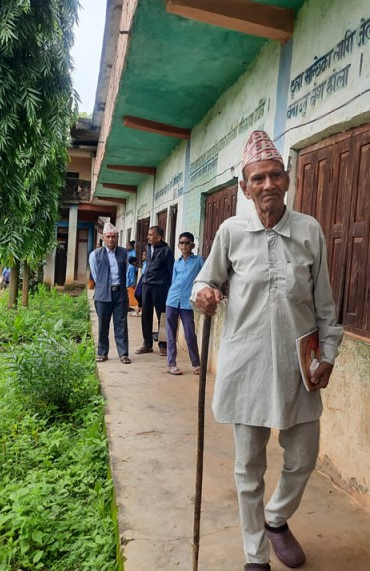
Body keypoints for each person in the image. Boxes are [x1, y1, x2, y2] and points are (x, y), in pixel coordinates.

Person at [192, 130, 342, 571]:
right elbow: (205, 280)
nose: (268, 184)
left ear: (287, 179)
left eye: (275, 175)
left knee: (303, 458)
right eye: (258, 178)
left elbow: (325, 304)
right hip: (247, 366)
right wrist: (203, 294)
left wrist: (329, 353)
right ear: (245, 187)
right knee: (248, 468)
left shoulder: (309, 231)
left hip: (299, 366)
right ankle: (255, 555)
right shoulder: (231, 232)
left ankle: (275, 518)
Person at [89, 223, 131, 364]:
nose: (111, 239)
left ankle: (123, 354)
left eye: (113, 236)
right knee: (103, 325)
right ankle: (102, 353)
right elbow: (95, 275)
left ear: (117, 237)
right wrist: (104, 286)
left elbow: (126, 271)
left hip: (120, 294)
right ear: (103, 238)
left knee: (121, 324)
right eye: (108, 236)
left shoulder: (124, 253)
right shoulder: (95, 254)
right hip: (103, 295)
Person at [165, 232, 204, 376]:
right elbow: (174, 281)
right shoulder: (177, 262)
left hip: (187, 303)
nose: (184, 245)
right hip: (172, 300)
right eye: (181, 243)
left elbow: (206, 277)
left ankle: (197, 364)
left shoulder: (199, 261)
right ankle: (171, 364)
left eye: (187, 243)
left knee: (189, 333)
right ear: (178, 245)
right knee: (170, 333)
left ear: (192, 245)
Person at [136, 226, 173, 356]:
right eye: (148, 234)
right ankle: (147, 344)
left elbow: (170, 271)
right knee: (145, 315)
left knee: (162, 315)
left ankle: (163, 345)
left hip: (160, 286)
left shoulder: (167, 251)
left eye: (151, 235)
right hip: (147, 284)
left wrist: (169, 288)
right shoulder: (147, 247)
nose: (148, 237)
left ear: (159, 237)